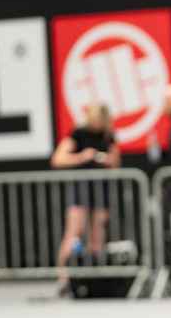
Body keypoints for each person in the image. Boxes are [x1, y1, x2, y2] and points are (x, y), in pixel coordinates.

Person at [51, 103, 121, 297]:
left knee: (98, 234)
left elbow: (115, 162)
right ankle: (64, 279)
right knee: (74, 232)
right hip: (80, 187)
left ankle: (95, 278)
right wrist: (83, 156)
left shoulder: (107, 136)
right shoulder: (79, 133)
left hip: (100, 188)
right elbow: (58, 159)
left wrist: (101, 158)